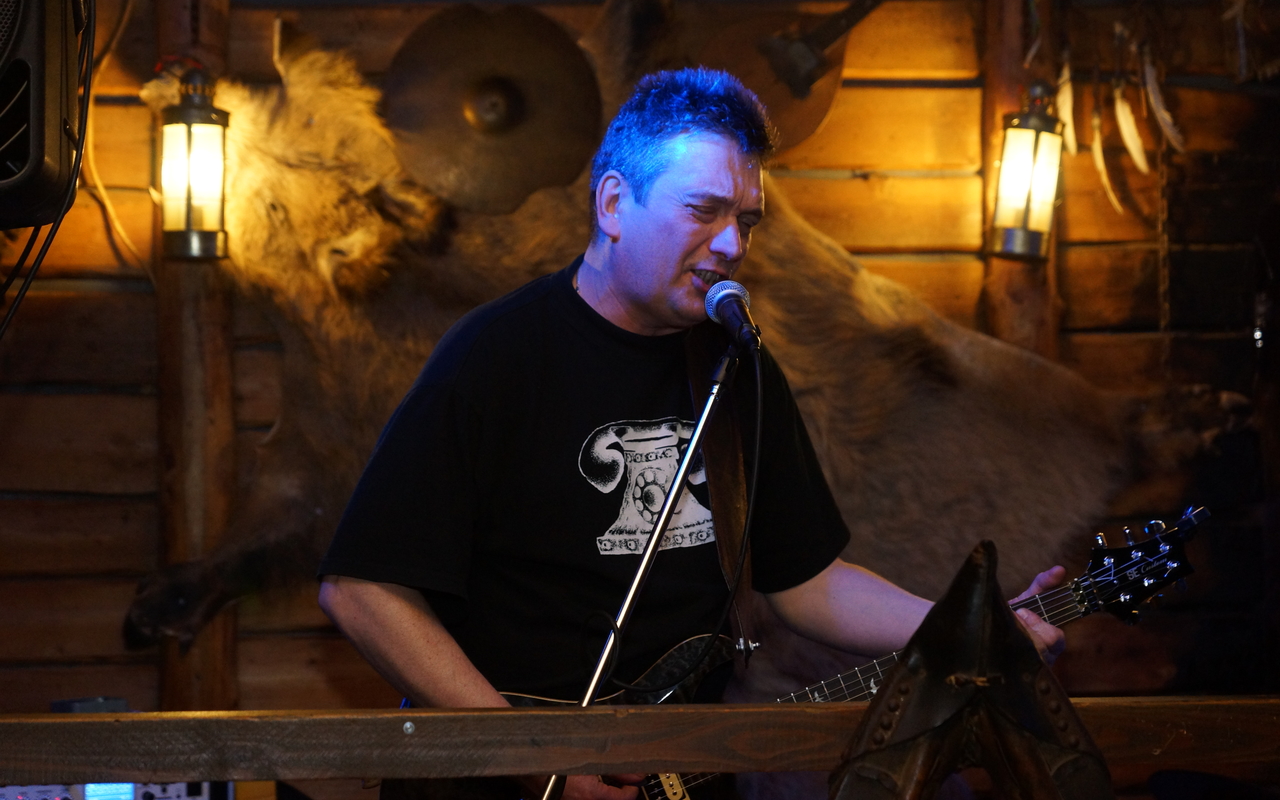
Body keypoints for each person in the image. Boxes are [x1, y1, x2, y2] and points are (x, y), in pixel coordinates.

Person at [317, 68, 1065, 800]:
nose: (732, 243)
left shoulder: (736, 362)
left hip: (678, 768)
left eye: (747, 220)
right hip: (506, 779)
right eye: (703, 210)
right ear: (614, 203)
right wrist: (533, 760)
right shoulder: (495, 357)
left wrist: (971, 626)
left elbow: (808, 583)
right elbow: (362, 591)